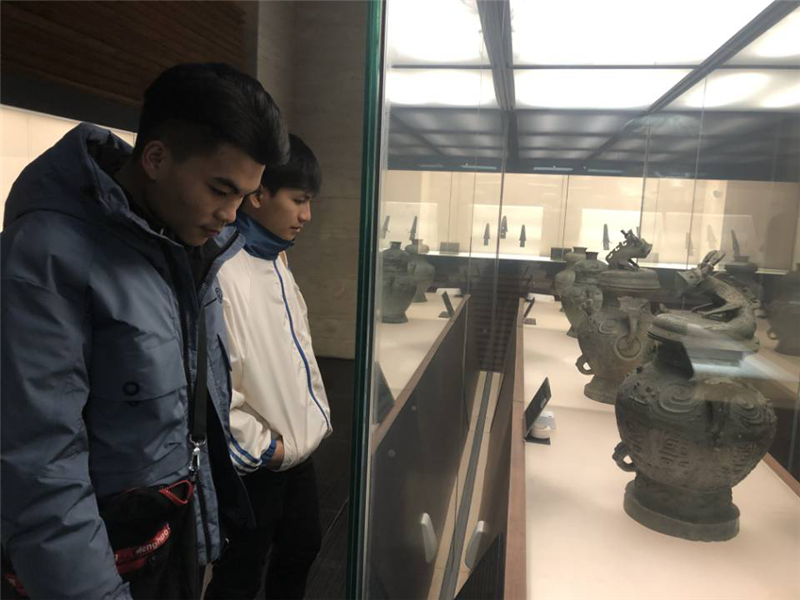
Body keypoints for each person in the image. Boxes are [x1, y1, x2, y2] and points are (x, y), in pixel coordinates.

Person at [0, 63, 288, 600]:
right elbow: (37, 464)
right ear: (155, 158)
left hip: (167, 538)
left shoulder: (187, 245)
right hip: (96, 564)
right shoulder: (46, 256)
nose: (230, 215)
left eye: (244, 196)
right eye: (220, 189)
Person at [204, 134, 332, 600]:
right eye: (299, 200)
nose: (307, 215)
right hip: (258, 462)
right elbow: (214, 386)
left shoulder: (276, 257)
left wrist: (307, 425)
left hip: (297, 447)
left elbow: (297, 354)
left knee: (302, 548)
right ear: (258, 195)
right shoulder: (220, 269)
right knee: (239, 574)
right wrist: (264, 450)